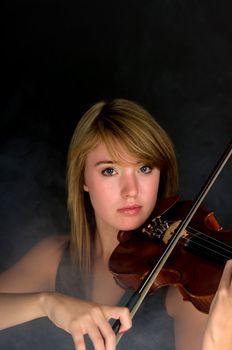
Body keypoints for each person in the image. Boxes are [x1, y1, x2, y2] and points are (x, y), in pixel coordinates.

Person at [0, 98, 231, 350]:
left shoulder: (183, 285)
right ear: (83, 179)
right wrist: (46, 303)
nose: (130, 190)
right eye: (110, 171)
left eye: (144, 168)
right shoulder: (55, 256)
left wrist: (218, 341)